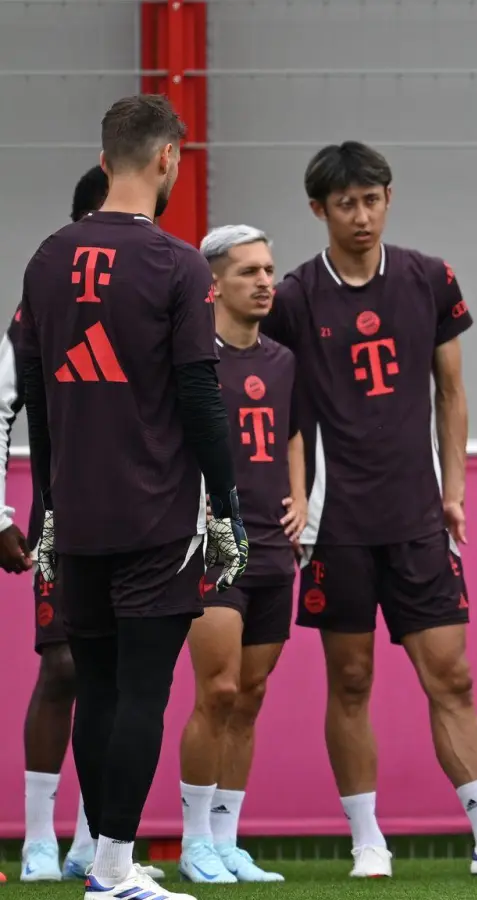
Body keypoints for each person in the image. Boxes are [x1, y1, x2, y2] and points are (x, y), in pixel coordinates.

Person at [262, 141, 477, 879]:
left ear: (389, 198)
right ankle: (368, 841)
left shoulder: (430, 278)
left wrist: (453, 491)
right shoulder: (296, 296)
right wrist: (296, 495)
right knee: (352, 679)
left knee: (450, 677)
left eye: (372, 200)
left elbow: (450, 394)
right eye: (344, 204)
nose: (360, 216)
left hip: (418, 516)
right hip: (336, 522)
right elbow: (284, 410)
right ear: (318, 210)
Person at [14, 93, 249, 900]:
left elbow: (39, 401)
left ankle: (99, 862)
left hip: (77, 514)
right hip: (155, 514)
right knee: (142, 695)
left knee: (100, 687)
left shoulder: (45, 258)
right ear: (167, 160)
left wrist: (47, 503)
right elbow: (199, 393)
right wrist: (227, 501)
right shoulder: (176, 263)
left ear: (104, 154)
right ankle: (113, 867)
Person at [8, 164, 160, 886]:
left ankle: (95, 846)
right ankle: (40, 833)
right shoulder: (42, 296)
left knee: (128, 676)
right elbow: (8, 401)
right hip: (65, 520)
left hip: (142, 518)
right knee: (67, 666)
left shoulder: (157, 293)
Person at [175, 225, 307, 884]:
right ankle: (193, 840)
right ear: (214, 284)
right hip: (213, 552)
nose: (264, 283)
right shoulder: (191, 360)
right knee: (218, 690)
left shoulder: (283, 360)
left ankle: (226, 838)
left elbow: (292, 434)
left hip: (273, 547)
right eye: (249, 271)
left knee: (250, 696)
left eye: (269, 270)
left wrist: (302, 499)